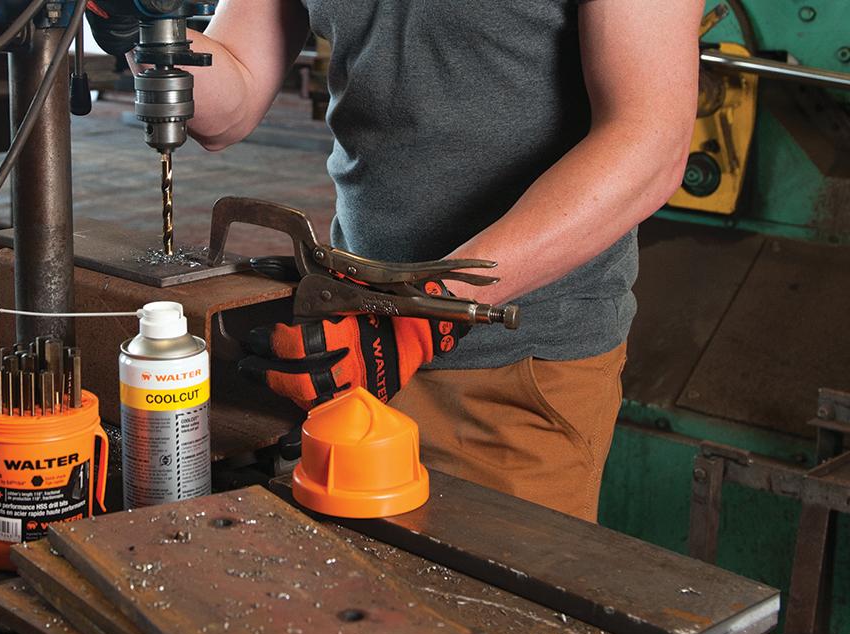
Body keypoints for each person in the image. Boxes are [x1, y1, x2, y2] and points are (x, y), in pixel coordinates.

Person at [88, 0, 701, 521]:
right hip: (347, 346)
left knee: (490, 616)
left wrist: (421, 314)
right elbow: (232, 97)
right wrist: (140, 25)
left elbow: (649, 141)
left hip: (510, 371)